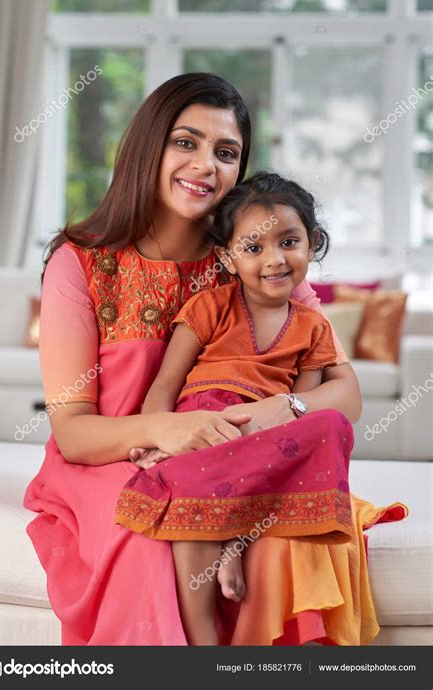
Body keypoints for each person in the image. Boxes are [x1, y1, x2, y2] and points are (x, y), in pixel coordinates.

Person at [23, 72, 408, 647]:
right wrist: (171, 432)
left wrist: (285, 406)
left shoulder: (254, 259)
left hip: (234, 460)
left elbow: (343, 393)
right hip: (108, 462)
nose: (205, 164)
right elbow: (74, 433)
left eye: (225, 152)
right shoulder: (80, 263)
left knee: (289, 543)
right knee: (151, 531)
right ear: (148, 146)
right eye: (186, 142)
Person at [115, 172, 359, 645]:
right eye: (253, 248)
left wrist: (279, 414)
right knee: (191, 485)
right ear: (228, 257)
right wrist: (155, 436)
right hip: (204, 426)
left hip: (265, 440)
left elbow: (300, 408)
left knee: (332, 424)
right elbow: (165, 386)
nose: (274, 259)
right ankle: (204, 644)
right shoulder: (210, 306)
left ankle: (235, 535)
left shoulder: (313, 326)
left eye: (289, 241)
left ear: (314, 243)